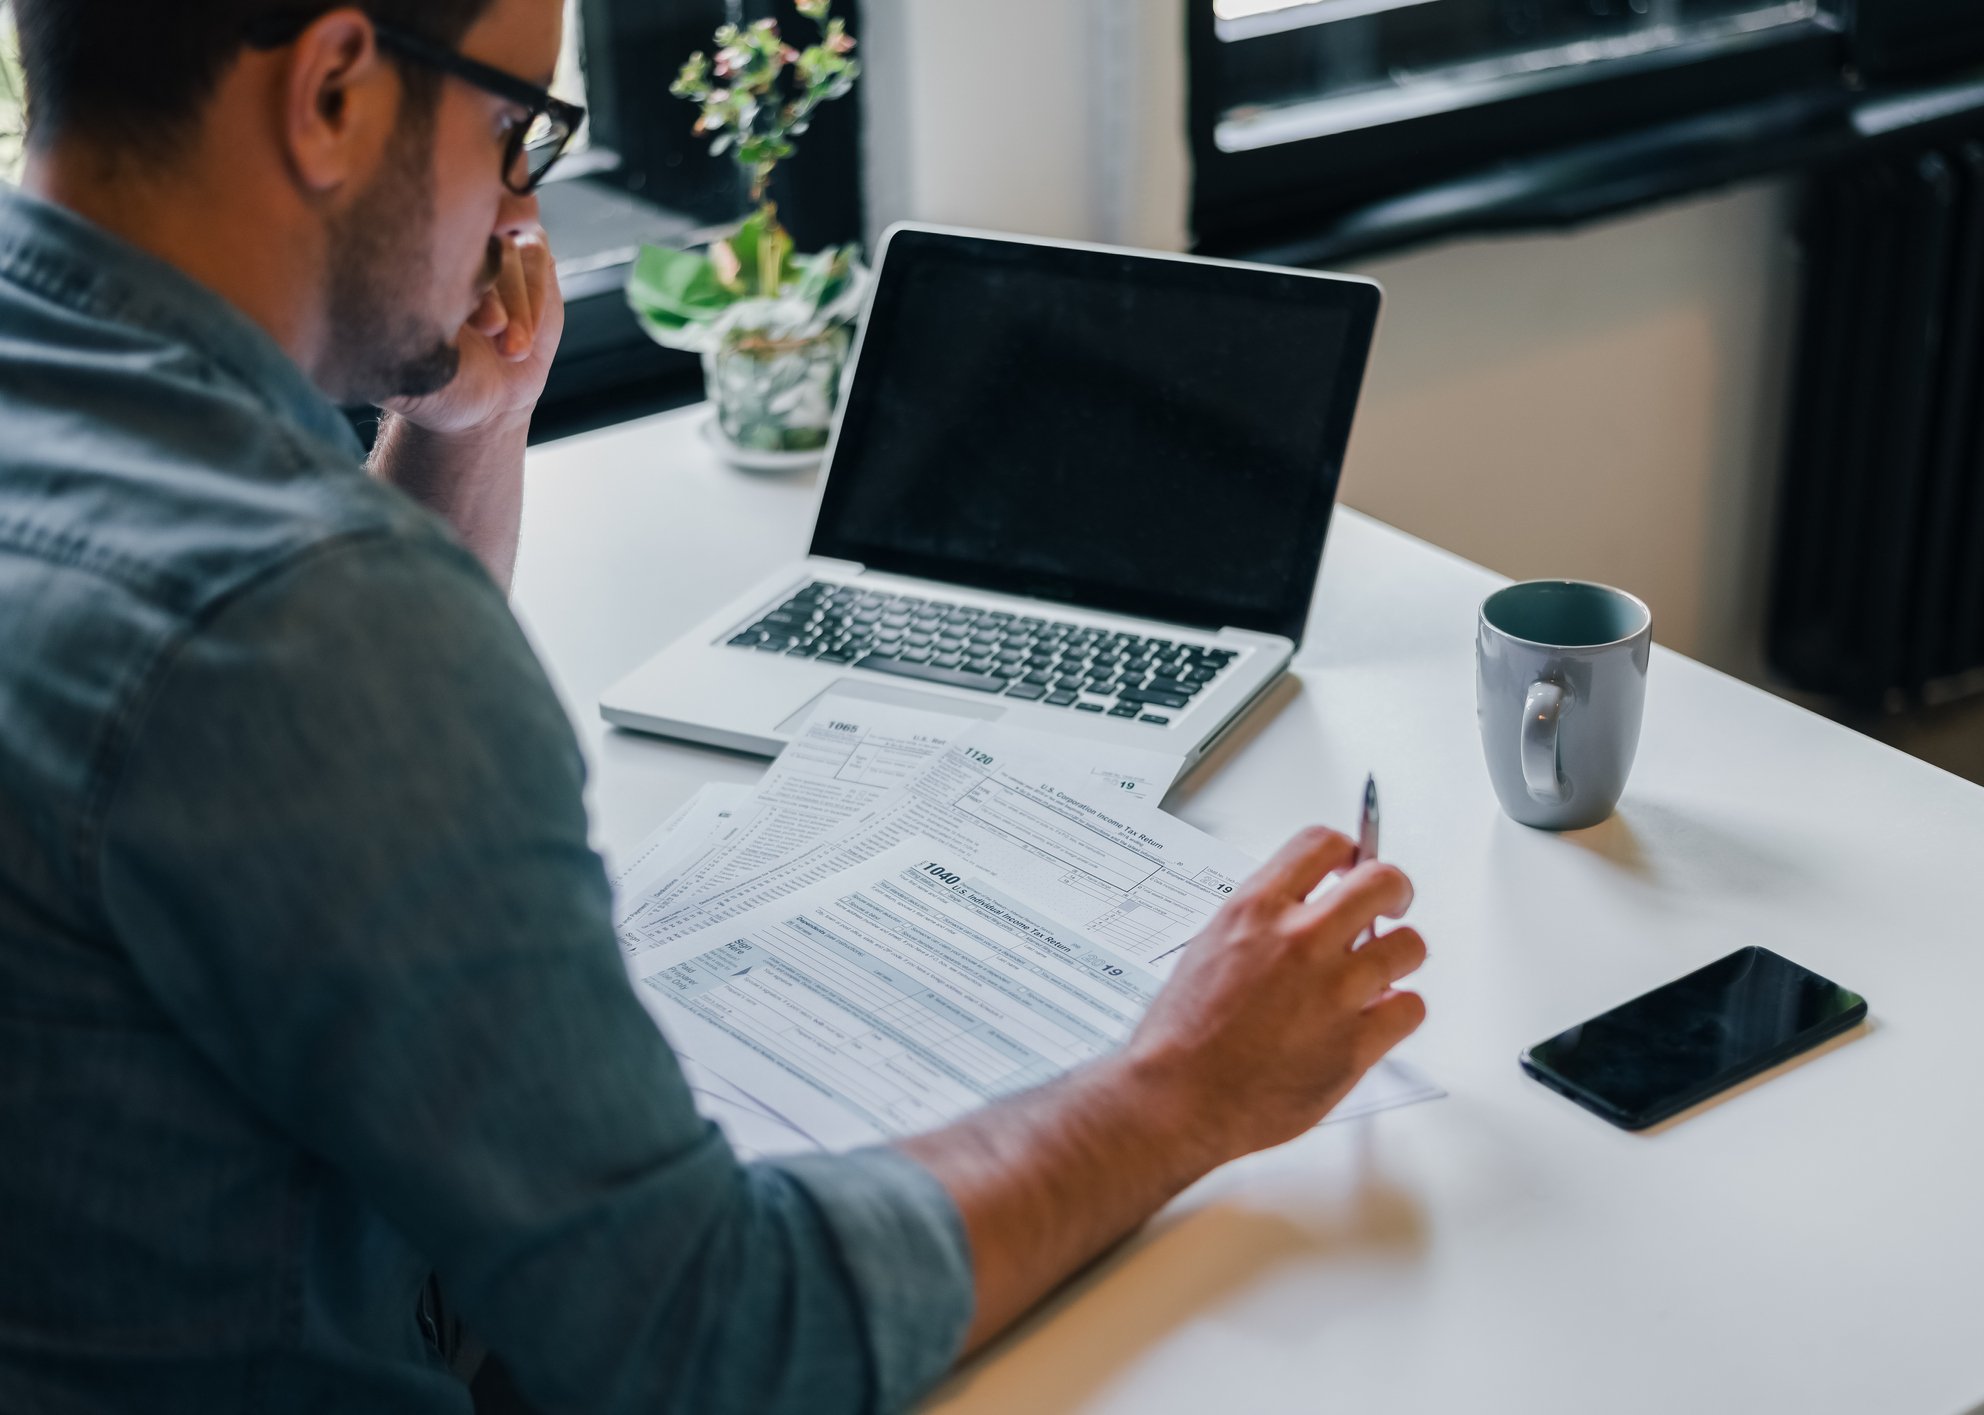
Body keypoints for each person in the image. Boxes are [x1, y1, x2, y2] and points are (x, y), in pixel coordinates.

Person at [0, 1, 1430, 1410]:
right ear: (330, 95)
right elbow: (708, 1337)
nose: (516, 214)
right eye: (516, 130)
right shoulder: (312, 619)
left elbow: (266, 771)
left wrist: (470, 428)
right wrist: (1179, 1083)